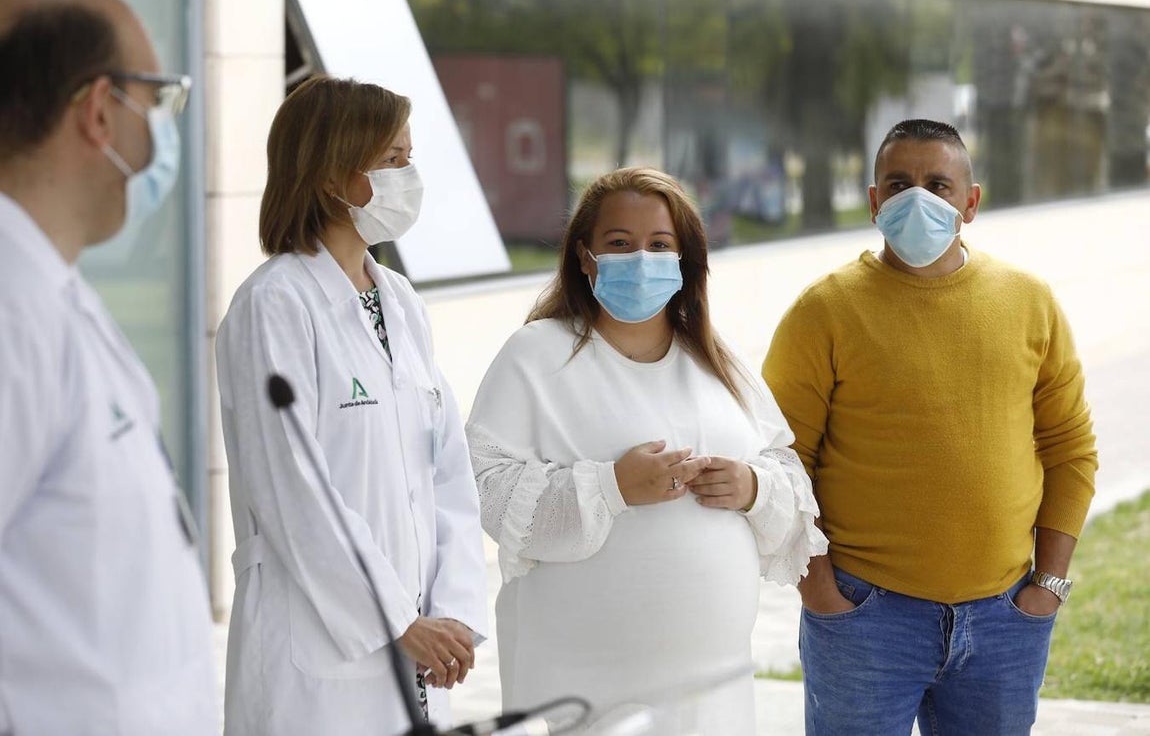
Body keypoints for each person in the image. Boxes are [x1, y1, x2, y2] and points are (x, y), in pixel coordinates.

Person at [762, 119, 1098, 735]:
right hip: (865, 616)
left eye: (938, 184)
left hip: (1005, 618)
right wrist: (820, 593)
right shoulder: (824, 311)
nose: (919, 198)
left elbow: (1071, 449)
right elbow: (781, 461)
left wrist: (1047, 585)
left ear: (970, 202)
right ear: (873, 202)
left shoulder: (1030, 301)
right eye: (899, 183)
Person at [467, 167, 827, 734]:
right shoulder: (535, 356)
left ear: (684, 259)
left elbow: (786, 473)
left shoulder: (716, 360)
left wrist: (752, 488)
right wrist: (611, 487)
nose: (640, 258)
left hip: (712, 692)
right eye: (619, 244)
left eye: (659, 245)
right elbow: (488, 489)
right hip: (581, 684)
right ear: (586, 258)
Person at [215, 75, 488, 736]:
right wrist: (397, 619)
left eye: (409, 158)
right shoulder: (275, 305)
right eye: (392, 160)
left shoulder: (401, 302)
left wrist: (450, 612)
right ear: (333, 172)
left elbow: (447, 473)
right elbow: (295, 490)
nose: (409, 176)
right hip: (317, 659)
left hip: (421, 647)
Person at [0, 0, 216, 735]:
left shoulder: (51, 290)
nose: (163, 134)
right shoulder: (11, 312)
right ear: (98, 112)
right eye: (157, 101)